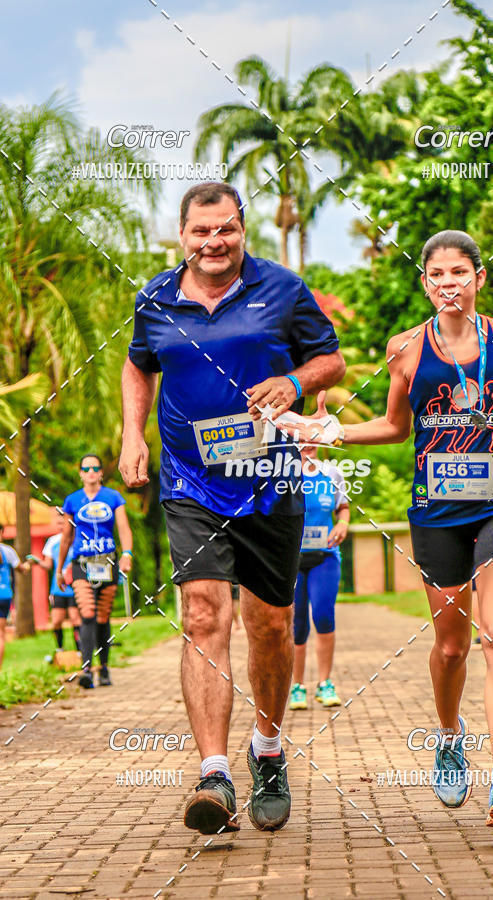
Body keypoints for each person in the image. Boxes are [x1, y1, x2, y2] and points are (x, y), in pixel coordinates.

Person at [280, 230, 493, 829]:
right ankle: (450, 736)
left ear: (479, 278)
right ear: (424, 283)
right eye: (437, 275)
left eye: (460, 272)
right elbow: (397, 426)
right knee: (451, 646)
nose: (448, 283)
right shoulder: (404, 349)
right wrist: (329, 432)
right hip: (437, 509)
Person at [119, 182, 345, 835]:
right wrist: (133, 434)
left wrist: (297, 382)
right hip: (190, 478)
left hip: (269, 478)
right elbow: (139, 366)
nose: (213, 243)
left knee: (271, 625)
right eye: (201, 232)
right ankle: (214, 774)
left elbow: (329, 359)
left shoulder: (282, 288)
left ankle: (267, 750)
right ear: (182, 235)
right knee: (201, 613)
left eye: (225, 230)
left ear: (242, 230)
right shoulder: (155, 300)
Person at [57, 455, 133, 688]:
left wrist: (127, 554)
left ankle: (105, 668)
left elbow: (123, 528)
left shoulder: (113, 497)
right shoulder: (72, 500)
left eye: (95, 468)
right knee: (87, 613)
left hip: (107, 561)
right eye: (86, 468)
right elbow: (66, 537)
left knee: (102, 616)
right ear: (80, 473)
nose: (90, 472)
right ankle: (87, 670)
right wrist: (59, 569)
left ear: (101, 473)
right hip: (82, 563)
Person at [290, 443, 349, 711]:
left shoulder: (332, 473)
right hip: (291, 561)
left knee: (323, 615)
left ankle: (325, 683)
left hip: (324, 557)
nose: (308, 445)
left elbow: (343, 508)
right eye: (301, 440)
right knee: (297, 623)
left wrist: (343, 524)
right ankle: (297, 686)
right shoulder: (284, 474)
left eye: (313, 439)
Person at [30, 511, 81, 655]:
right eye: (58, 522)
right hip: (58, 588)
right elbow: (47, 565)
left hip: (75, 586)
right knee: (57, 620)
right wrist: (37, 561)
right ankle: (59, 649)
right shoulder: (52, 541)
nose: (61, 525)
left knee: (75, 618)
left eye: (63, 522)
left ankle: (79, 650)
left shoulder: (77, 539)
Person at [0, 523, 30, 669]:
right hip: (4, 594)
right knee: (0, 635)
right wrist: (29, 564)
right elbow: (22, 569)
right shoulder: (7, 551)